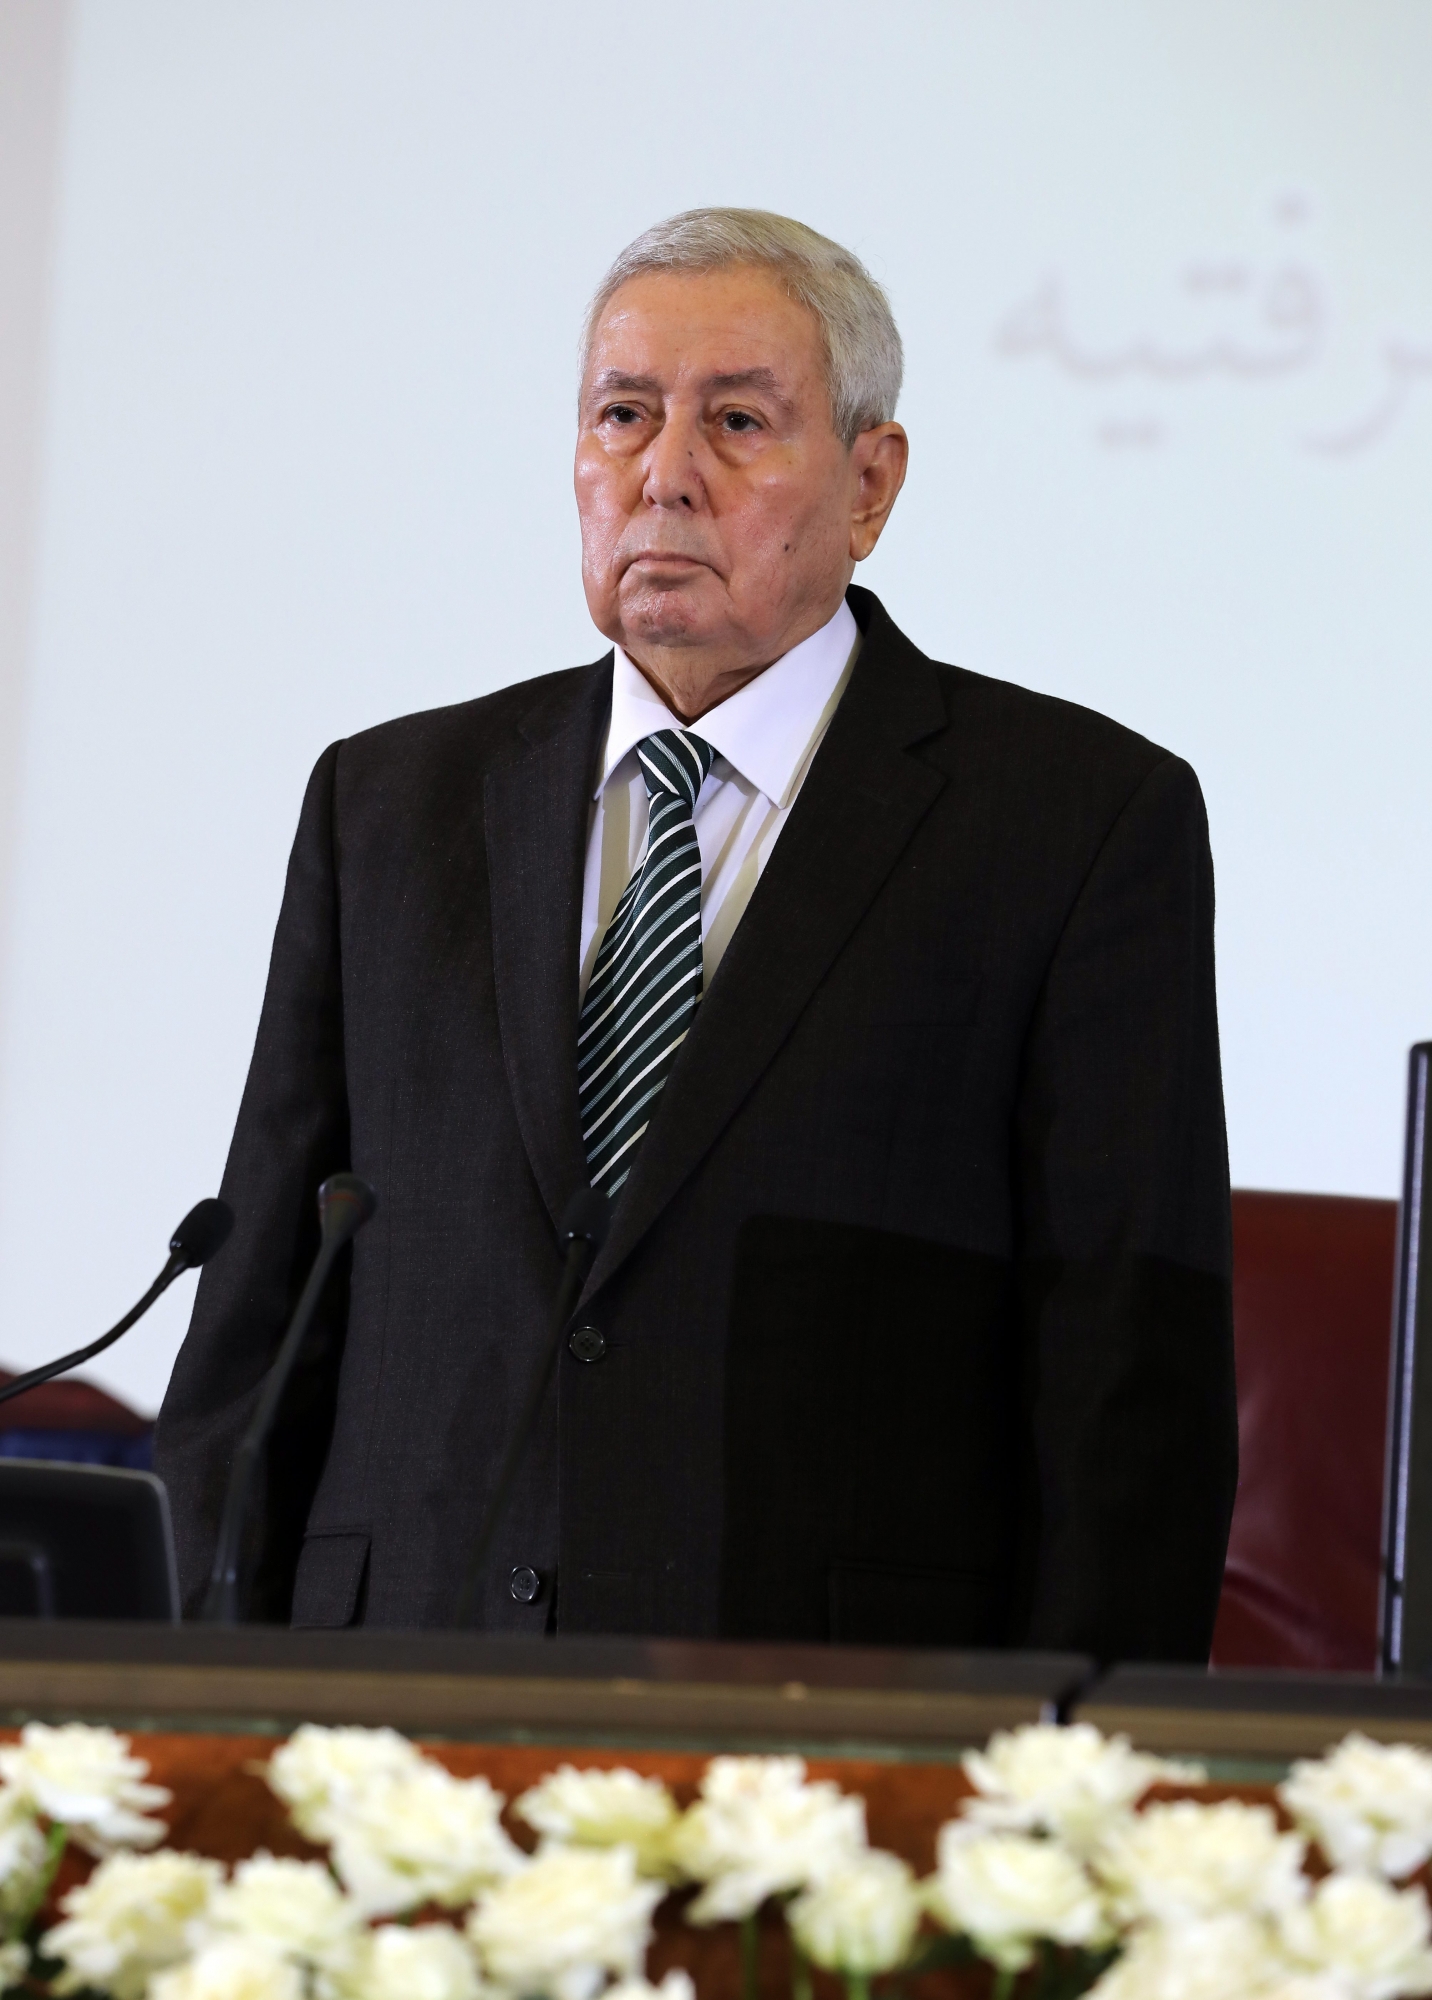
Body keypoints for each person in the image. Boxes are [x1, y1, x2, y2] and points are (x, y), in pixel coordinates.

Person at [157, 209, 1237, 1657]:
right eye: (622, 415)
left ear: (870, 484)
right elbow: (259, 1327)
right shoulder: (389, 804)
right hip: (396, 1710)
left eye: (737, 421)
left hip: (837, 1743)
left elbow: (1129, 1393)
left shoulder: (1078, 821)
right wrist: (207, 1717)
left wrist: (1077, 1801)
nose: (663, 474)